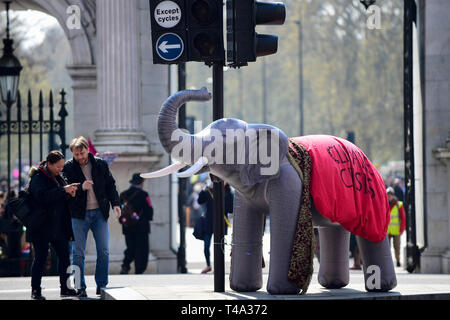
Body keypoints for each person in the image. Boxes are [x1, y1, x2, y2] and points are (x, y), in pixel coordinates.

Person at [63, 136, 121, 297]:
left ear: (87, 150)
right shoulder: (68, 168)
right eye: (76, 155)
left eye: (82, 153)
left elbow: (110, 185)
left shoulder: (100, 164)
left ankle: (101, 285)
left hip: (99, 213)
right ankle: (80, 286)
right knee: (78, 253)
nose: (80, 157)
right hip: (78, 215)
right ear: (72, 154)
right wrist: (81, 187)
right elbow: (65, 192)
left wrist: (116, 203)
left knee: (104, 251)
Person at [27, 151, 79, 300]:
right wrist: (63, 190)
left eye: (62, 166)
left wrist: (69, 193)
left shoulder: (59, 177)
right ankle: (35, 290)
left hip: (58, 226)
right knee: (41, 257)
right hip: (41, 226)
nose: (60, 169)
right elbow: (42, 196)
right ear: (49, 164)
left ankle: (66, 288)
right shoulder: (38, 178)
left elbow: (60, 197)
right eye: (58, 166)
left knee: (64, 257)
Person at [119, 173, 153, 275]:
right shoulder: (144, 195)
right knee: (142, 249)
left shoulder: (123, 195)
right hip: (142, 228)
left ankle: (125, 266)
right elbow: (149, 210)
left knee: (130, 248)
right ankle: (139, 269)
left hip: (128, 227)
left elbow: (120, 211)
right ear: (142, 183)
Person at [387, 186, 406, 267]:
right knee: (387, 248)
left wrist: (401, 229)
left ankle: (397, 260)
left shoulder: (399, 204)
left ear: (393, 195)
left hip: (396, 230)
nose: (389, 196)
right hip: (387, 230)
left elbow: (403, 218)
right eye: (388, 195)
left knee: (397, 246)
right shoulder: (384, 204)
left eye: (390, 195)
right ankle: (388, 261)